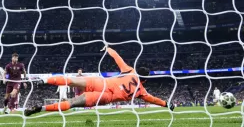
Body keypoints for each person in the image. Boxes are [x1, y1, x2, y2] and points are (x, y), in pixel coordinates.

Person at [24, 46, 174, 116]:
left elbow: (117, 57)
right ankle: (41, 109)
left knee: (72, 80)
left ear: (137, 70)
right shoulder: (141, 91)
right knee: (72, 103)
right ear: (146, 80)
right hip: (105, 97)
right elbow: (154, 100)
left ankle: (43, 80)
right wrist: (167, 104)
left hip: (101, 83)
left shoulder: (129, 71)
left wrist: (107, 48)